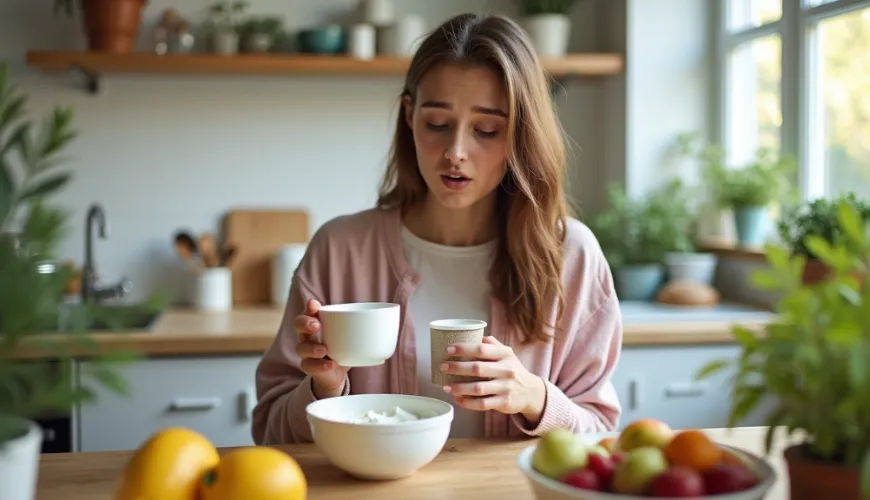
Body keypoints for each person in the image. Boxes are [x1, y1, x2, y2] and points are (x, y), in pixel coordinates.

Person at [251, 12, 623, 445]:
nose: (456, 152)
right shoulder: (340, 250)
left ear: (521, 134)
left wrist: (534, 397)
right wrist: (324, 388)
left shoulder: (570, 255)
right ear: (410, 115)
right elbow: (269, 431)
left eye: (487, 129)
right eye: (438, 124)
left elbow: (603, 436)